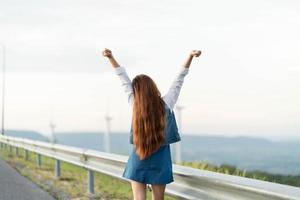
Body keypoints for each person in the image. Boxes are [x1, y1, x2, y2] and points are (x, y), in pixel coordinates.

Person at [102, 48, 201, 200]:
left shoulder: (135, 103)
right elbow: (178, 80)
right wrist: (190, 57)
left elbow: (122, 78)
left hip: (138, 158)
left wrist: (111, 58)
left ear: (136, 91)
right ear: (152, 87)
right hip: (161, 162)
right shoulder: (166, 104)